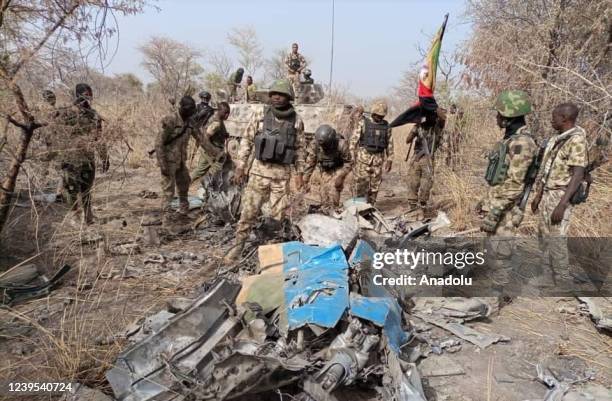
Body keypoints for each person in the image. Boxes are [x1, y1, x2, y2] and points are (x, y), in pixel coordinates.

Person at [224, 79, 305, 262]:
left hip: (281, 178)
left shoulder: (296, 120)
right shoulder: (260, 114)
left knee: (276, 218)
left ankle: (269, 255)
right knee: (248, 213)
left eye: (281, 94)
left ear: (288, 97)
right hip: (258, 174)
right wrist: (240, 166)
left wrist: (300, 174)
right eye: (274, 94)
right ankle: (237, 248)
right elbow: (247, 140)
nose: (277, 97)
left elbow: (300, 149)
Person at [478, 90, 538, 286]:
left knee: (500, 257)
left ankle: (496, 298)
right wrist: (485, 202)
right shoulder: (510, 141)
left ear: (508, 118)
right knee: (490, 252)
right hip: (497, 205)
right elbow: (499, 179)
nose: (497, 118)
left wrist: (495, 211)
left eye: (499, 114)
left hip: (507, 210)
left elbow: (515, 184)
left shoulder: (522, 143)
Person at [531, 102, 588, 281]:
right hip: (548, 193)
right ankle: (546, 274)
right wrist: (539, 194)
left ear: (564, 119)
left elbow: (578, 174)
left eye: (554, 117)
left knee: (558, 238)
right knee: (543, 235)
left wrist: (562, 204)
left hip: (560, 194)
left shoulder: (576, 140)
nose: (551, 120)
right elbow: (547, 168)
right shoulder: (557, 138)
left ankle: (563, 279)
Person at [54, 83, 108, 225]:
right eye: (85, 94)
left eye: (89, 94)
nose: (88, 97)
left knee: (87, 188)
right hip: (70, 158)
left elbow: (99, 138)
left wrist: (104, 157)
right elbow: (55, 132)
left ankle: (88, 216)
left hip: (87, 158)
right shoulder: (66, 112)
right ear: (78, 95)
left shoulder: (93, 115)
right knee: (70, 188)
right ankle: (75, 216)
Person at [155, 96, 201, 224]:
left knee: (185, 183)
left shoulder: (190, 122)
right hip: (168, 161)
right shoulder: (170, 120)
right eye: (190, 110)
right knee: (168, 190)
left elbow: (201, 139)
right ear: (183, 108)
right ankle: (166, 219)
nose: (192, 113)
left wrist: (217, 154)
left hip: (181, 161)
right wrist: (162, 164)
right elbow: (159, 143)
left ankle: (183, 212)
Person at [403, 105, 445, 220]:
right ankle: (412, 208)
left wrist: (432, 106)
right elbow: (407, 140)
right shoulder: (419, 126)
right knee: (413, 183)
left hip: (428, 159)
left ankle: (422, 207)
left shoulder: (438, 127)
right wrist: (414, 130)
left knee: (426, 186)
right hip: (416, 158)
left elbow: (443, 117)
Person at [349, 101, 393, 205]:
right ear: (373, 113)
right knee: (360, 185)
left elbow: (390, 144)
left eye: (382, 116)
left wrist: (390, 159)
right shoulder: (363, 123)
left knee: (375, 186)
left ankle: (371, 207)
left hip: (378, 161)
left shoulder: (387, 126)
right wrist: (352, 156)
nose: (380, 118)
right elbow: (353, 140)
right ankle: (359, 207)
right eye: (378, 116)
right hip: (363, 160)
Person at [304, 124, 352, 212]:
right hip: (323, 169)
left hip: (338, 169)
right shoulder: (315, 144)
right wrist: (305, 180)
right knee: (324, 192)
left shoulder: (341, 145)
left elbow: (348, 163)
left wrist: (341, 176)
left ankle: (334, 210)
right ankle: (325, 210)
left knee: (335, 190)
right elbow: (310, 163)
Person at [191, 102, 231, 184]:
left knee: (200, 170)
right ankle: (207, 184)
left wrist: (223, 134)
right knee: (218, 168)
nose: (227, 115)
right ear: (220, 111)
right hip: (212, 151)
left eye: (228, 113)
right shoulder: (216, 123)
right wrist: (212, 151)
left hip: (209, 150)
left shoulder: (218, 120)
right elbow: (206, 137)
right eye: (225, 113)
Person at [443, 103, 467, 169]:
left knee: (455, 151)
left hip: (455, 136)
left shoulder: (457, 117)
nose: (450, 110)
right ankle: (447, 165)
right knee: (449, 151)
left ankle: (454, 166)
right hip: (449, 136)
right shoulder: (449, 116)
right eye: (450, 109)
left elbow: (461, 116)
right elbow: (445, 127)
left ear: (454, 109)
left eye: (452, 109)